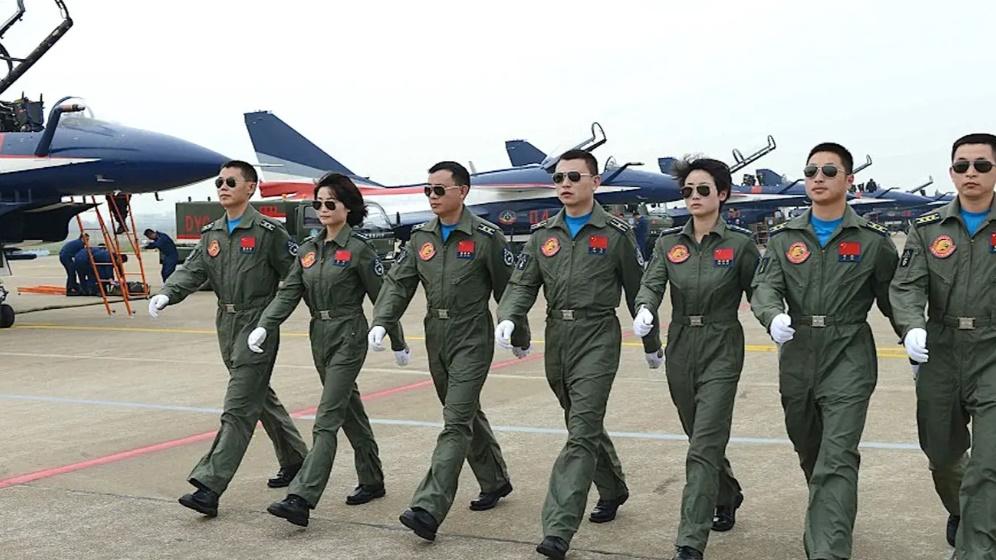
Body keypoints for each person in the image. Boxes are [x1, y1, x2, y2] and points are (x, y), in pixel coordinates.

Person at [495, 149, 661, 560]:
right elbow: (522, 284)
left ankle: (558, 527)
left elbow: (639, 290)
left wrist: (651, 342)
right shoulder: (543, 235)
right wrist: (509, 316)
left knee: (582, 429)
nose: (565, 184)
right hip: (558, 335)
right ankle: (613, 487)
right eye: (559, 178)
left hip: (598, 334)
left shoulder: (616, 234)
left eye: (573, 177)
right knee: (579, 420)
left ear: (595, 182)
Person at [751, 142, 900, 560]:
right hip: (797, 352)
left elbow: (894, 297)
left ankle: (828, 549)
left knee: (837, 455)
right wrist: (771, 315)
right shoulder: (785, 238)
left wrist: (912, 335)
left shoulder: (872, 241)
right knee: (809, 447)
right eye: (811, 171)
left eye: (829, 171)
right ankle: (828, 512)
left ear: (849, 180)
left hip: (848, 352)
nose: (818, 178)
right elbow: (765, 286)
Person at [370, 161, 528, 542]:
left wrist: (518, 333)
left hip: (471, 334)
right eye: (428, 190)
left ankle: (429, 506)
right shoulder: (420, 238)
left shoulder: (486, 237)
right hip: (435, 334)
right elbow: (398, 284)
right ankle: (495, 479)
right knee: (463, 410)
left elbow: (509, 290)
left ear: (462, 191)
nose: (432, 196)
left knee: (455, 421)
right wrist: (382, 320)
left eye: (439, 190)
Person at [147, 160, 309, 517]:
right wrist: (167, 293)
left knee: (237, 407)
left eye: (230, 182)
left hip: (257, 323)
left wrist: (308, 317)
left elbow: (297, 277)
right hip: (226, 322)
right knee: (257, 397)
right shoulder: (213, 233)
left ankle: (210, 485)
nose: (223, 187)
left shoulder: (268, 232)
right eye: (219, 182)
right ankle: (297, 458)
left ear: (250, 187)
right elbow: (193, 270)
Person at [248, 173, 409, 527]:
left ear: (348, 207)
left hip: (349, 334)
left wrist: (396, 340)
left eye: (330, 203)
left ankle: (302, 497)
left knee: (327, 418)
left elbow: (383, 298)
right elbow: (288, 292)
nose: (322, 209)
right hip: (318, 334)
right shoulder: (308, 250)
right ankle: (372, 478)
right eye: (317, 203)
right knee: (348, 409)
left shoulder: (359, 250)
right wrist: (265, 324)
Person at [632, 157, 760, 560]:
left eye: (703, 189)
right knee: (698, 434)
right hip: (682, 344)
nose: (694, 196)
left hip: (722, 344)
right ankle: (727, 492)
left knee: (704, 443)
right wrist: (645, 307)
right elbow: (652, 283)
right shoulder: (669, 243)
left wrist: (774, 318)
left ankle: (690, 540)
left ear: (722, 194)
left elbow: (760, 292)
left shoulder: (740, 245)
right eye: (687, 190)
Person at [890, 133, 996, 557]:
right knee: (941, 452)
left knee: (987, 464)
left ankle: (975, 547)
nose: (971, 173)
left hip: (992, 351)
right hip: (941, 350)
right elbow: (907, 286)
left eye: (982, 165)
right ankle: (964, 511)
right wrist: (911, 326)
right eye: (962, 165)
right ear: (951, 172)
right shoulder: (927, 229)